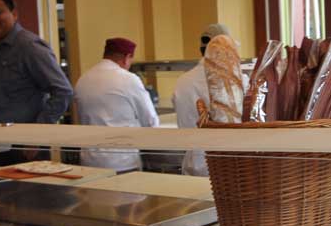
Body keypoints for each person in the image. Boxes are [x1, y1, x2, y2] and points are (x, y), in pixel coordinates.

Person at [0, 0, 73, 165]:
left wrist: (36, 135)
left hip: (24, 147)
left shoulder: (29, 46)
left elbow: (63, 91)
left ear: (14, 14)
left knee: (28, 193)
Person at [74, 37, 159, 172]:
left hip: (89, 161)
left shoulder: (84, 78)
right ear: (127, 57)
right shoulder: (128, 79)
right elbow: (150, 121)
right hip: (122, 161)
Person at [172, 23, 244, 176]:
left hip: (194, 164)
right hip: (229, 165)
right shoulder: (241, 79)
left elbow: (184, 127)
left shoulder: (182, 81)